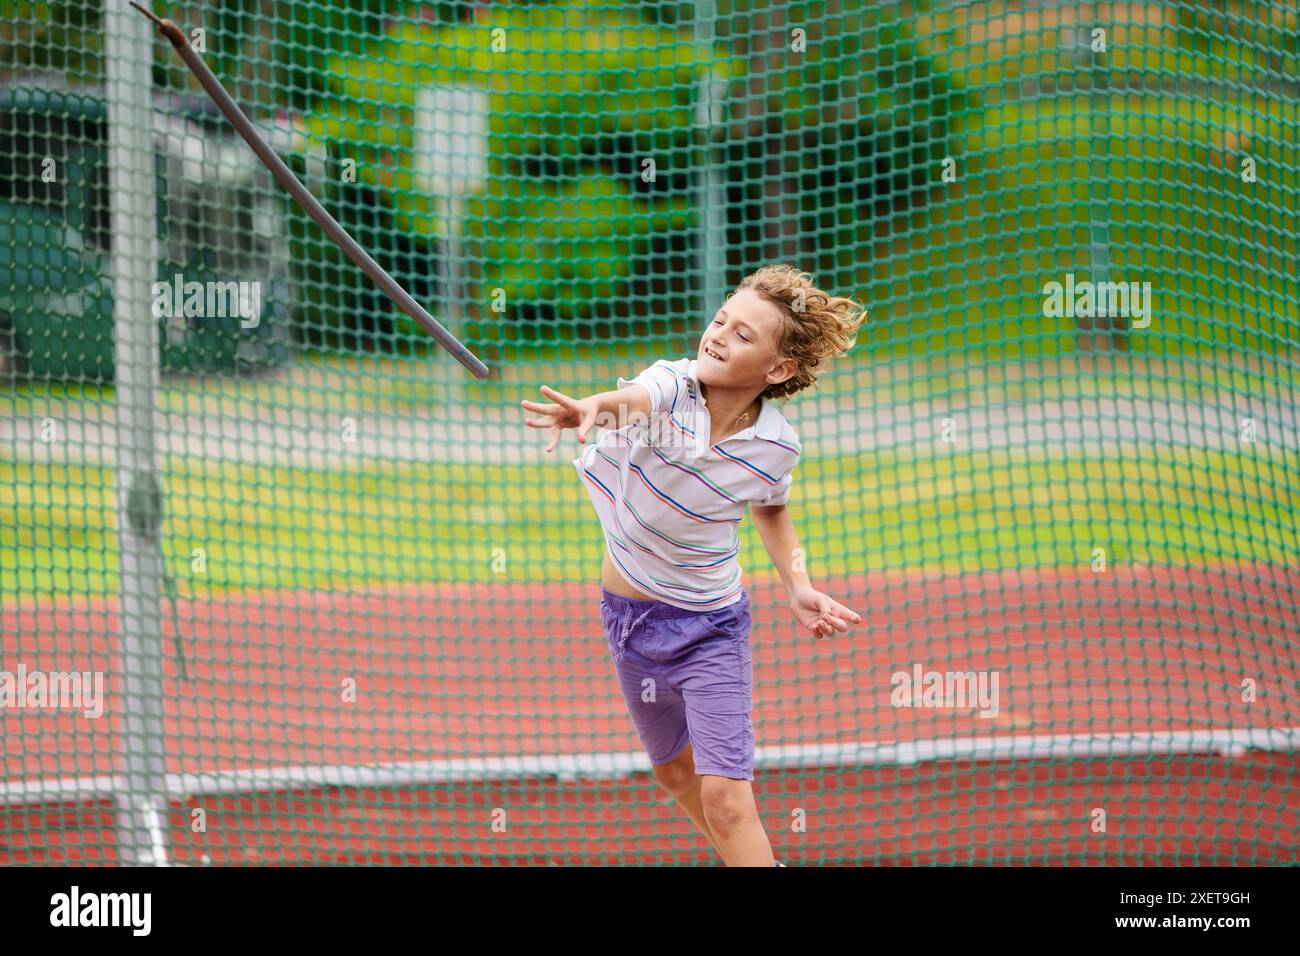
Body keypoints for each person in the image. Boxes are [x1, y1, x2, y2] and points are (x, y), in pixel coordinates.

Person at [521, 264, 866, 866]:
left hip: (710, 627)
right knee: (676, 776)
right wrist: (589, 411)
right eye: (719, 320)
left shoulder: (776, 445)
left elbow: (770, 507)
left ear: (777, 369)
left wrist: (799, 585)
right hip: (628, 620)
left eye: (742, 335)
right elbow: (625, 403)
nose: (718, 335)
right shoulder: (671, 387)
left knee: (729, 801)